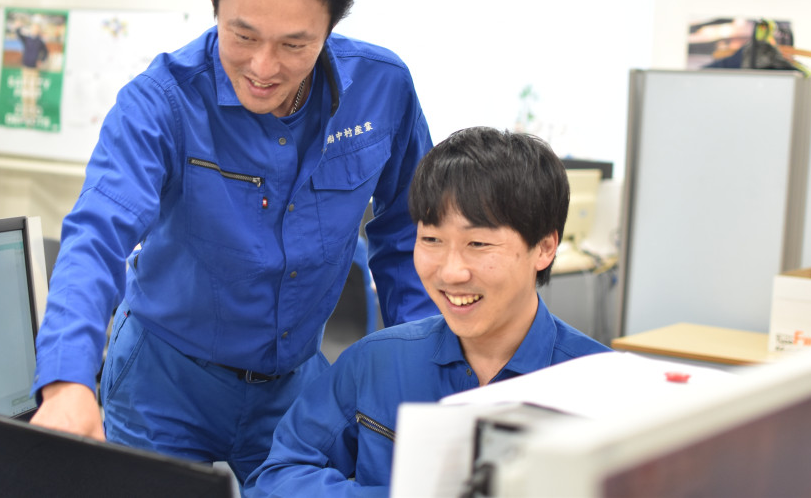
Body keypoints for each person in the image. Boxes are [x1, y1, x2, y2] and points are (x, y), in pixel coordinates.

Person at [29, 0, 438, 485]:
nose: (263, 68)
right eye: (242, 36)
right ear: (216, 8)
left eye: (295, 44)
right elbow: (98, 235)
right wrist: (66, 381)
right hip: (163, 382)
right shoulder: (161, 102)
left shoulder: (382, 89)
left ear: (331, 26)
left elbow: (409, 235)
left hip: (294, 386)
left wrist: (420, 370)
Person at [245, 127, 612, 496]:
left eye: (478, 243)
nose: (451, 273)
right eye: (432, 239)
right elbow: (276, 477)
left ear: (544, 248)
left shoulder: (604, 387)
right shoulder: (375, 362)